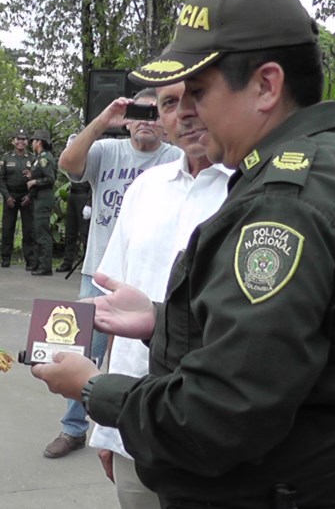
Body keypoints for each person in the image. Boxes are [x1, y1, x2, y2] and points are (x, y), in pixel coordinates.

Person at [33, 0, 335, 507]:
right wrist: (162, 320)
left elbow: (220, 415)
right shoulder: (327, 162)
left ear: (267, 86)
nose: (191, 114)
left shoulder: (284, 204)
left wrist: (96, 390)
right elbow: (279, 344)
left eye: (201, 92)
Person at [88, 81, 231, 508]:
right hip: (136, 415)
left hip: (214, 420)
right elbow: (118, 308)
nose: (185, 113)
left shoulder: (251, 192)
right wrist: (109, 429)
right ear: (162, 120)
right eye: (170, 103)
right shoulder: (144, 189)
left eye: (197, 98)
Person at [44, 89, 181, 459]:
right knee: (85, 351)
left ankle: (131, 432)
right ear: (128, 117)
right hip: (101, 272)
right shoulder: (108, 151)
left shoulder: (178, 159)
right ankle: (73, 428)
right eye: (140, 112)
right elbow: (68, 163)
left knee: (147, 358)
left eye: (157, 112)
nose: (148, 120)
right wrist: (105, 120)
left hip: (153, 277)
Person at [0, 129, 35, 269]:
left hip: (26, 197)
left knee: (28, 230)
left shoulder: (32, 158)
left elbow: (37, 178)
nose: (21, 142)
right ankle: (5, 259)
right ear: (13, 141)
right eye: (18, 139)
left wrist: (30, 196)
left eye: (24, 139)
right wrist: (7, 196)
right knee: (7, 229)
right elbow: (0, 179)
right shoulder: (6, 158)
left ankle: (30, 261)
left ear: (27, 142)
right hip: (10, 197)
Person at [26, 129, 56, 276]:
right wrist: (31, 175)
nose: (32, 143)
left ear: (39, 142)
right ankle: (38, 263)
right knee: (37, 231)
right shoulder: (39, 158)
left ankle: (45, 266)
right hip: (38, 198)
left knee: (42, 232)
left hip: (44, 199)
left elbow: (50, 178)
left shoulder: (45, 158)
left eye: (33, 141)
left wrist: (34, 181)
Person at [57, 179, 90, 273]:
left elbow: (94, 183)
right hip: (73, 193)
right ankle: (67, 261)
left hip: (84, 194)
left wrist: (89, 203)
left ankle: (87, 263)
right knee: (70, 231)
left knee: (85, 232)